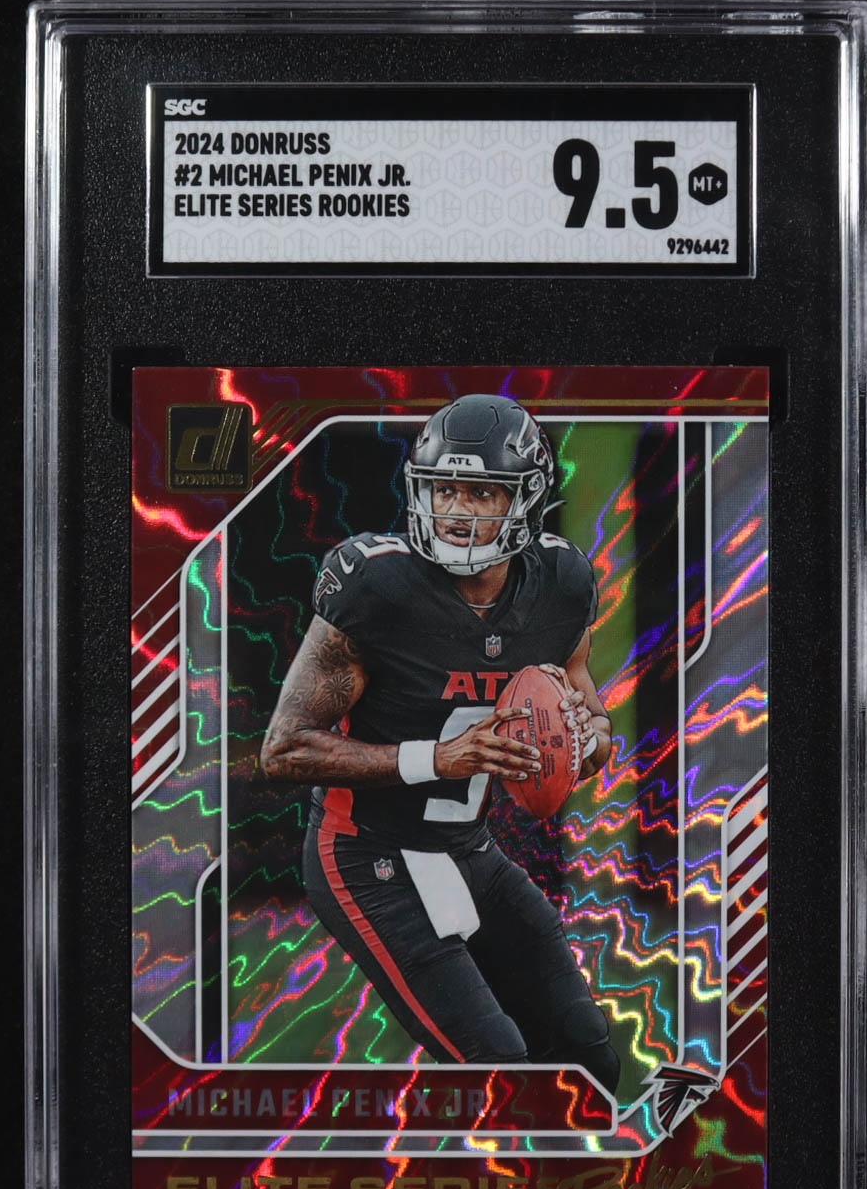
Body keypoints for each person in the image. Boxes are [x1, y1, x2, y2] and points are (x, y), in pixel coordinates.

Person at [261, 394, 619, 1091]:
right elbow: (285, 749)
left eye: (482, 492)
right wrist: (438, 758)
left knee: (586, 1053)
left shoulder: (561, 584)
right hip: (363, 852)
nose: (456, 510)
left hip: (469, 848)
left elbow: (594, 725)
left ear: (525, 497)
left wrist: (586, 740)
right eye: (443, 488)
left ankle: (584, 1168)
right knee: (498, 1065)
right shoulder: (378, 586)